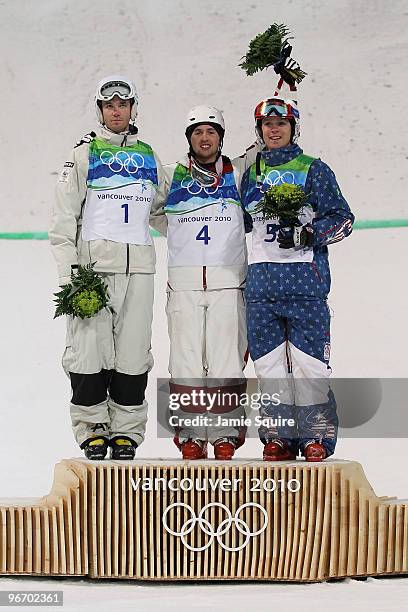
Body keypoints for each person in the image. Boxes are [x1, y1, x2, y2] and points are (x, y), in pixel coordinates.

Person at [50, 75, 166, 460]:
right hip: (92, 272)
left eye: (123, 104)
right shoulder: (84, 155)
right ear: (100, 110)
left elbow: (167, 210)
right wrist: (71, 278)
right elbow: (63, 221)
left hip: (140, 272)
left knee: (133, 354)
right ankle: (93, 428)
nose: (116, 110)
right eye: (109, 105)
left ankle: (127, 431)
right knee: (88, 352)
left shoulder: (149, 156)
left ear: (134, 108)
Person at [241, 78, 354, 462]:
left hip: (305, 284)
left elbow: (343, 218)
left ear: (293, 128)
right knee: (270, 368)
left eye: (281, 124)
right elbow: (237, 222)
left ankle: (316, 437)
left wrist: (308, 235)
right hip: (260, 286)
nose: (274, 130)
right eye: (267, 125)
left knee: (309, 366)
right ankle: (278, 436)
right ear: (259, 131)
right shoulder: (250, 172)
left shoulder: (313, 169)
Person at [163, 106, 251, 460]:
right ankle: (191, 434)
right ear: (189, 138)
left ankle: (225, 432)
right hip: (184, 282)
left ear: (221, 137)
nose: (204, 138)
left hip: (228, 281)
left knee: (226, 359)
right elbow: (153, 212)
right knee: (185, 360)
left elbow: (267, 146)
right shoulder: (171, 176)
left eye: (211, 132)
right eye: (197, 132)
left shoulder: (239, 173)